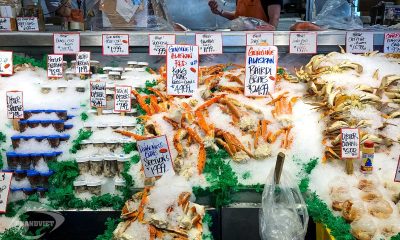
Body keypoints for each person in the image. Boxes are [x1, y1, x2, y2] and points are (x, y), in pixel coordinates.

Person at [208, 0, 282, 30]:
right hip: (239, 39)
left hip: (259, 41)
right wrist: (220, 11)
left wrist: (269, 40)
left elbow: (274, 18)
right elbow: (239, 16)